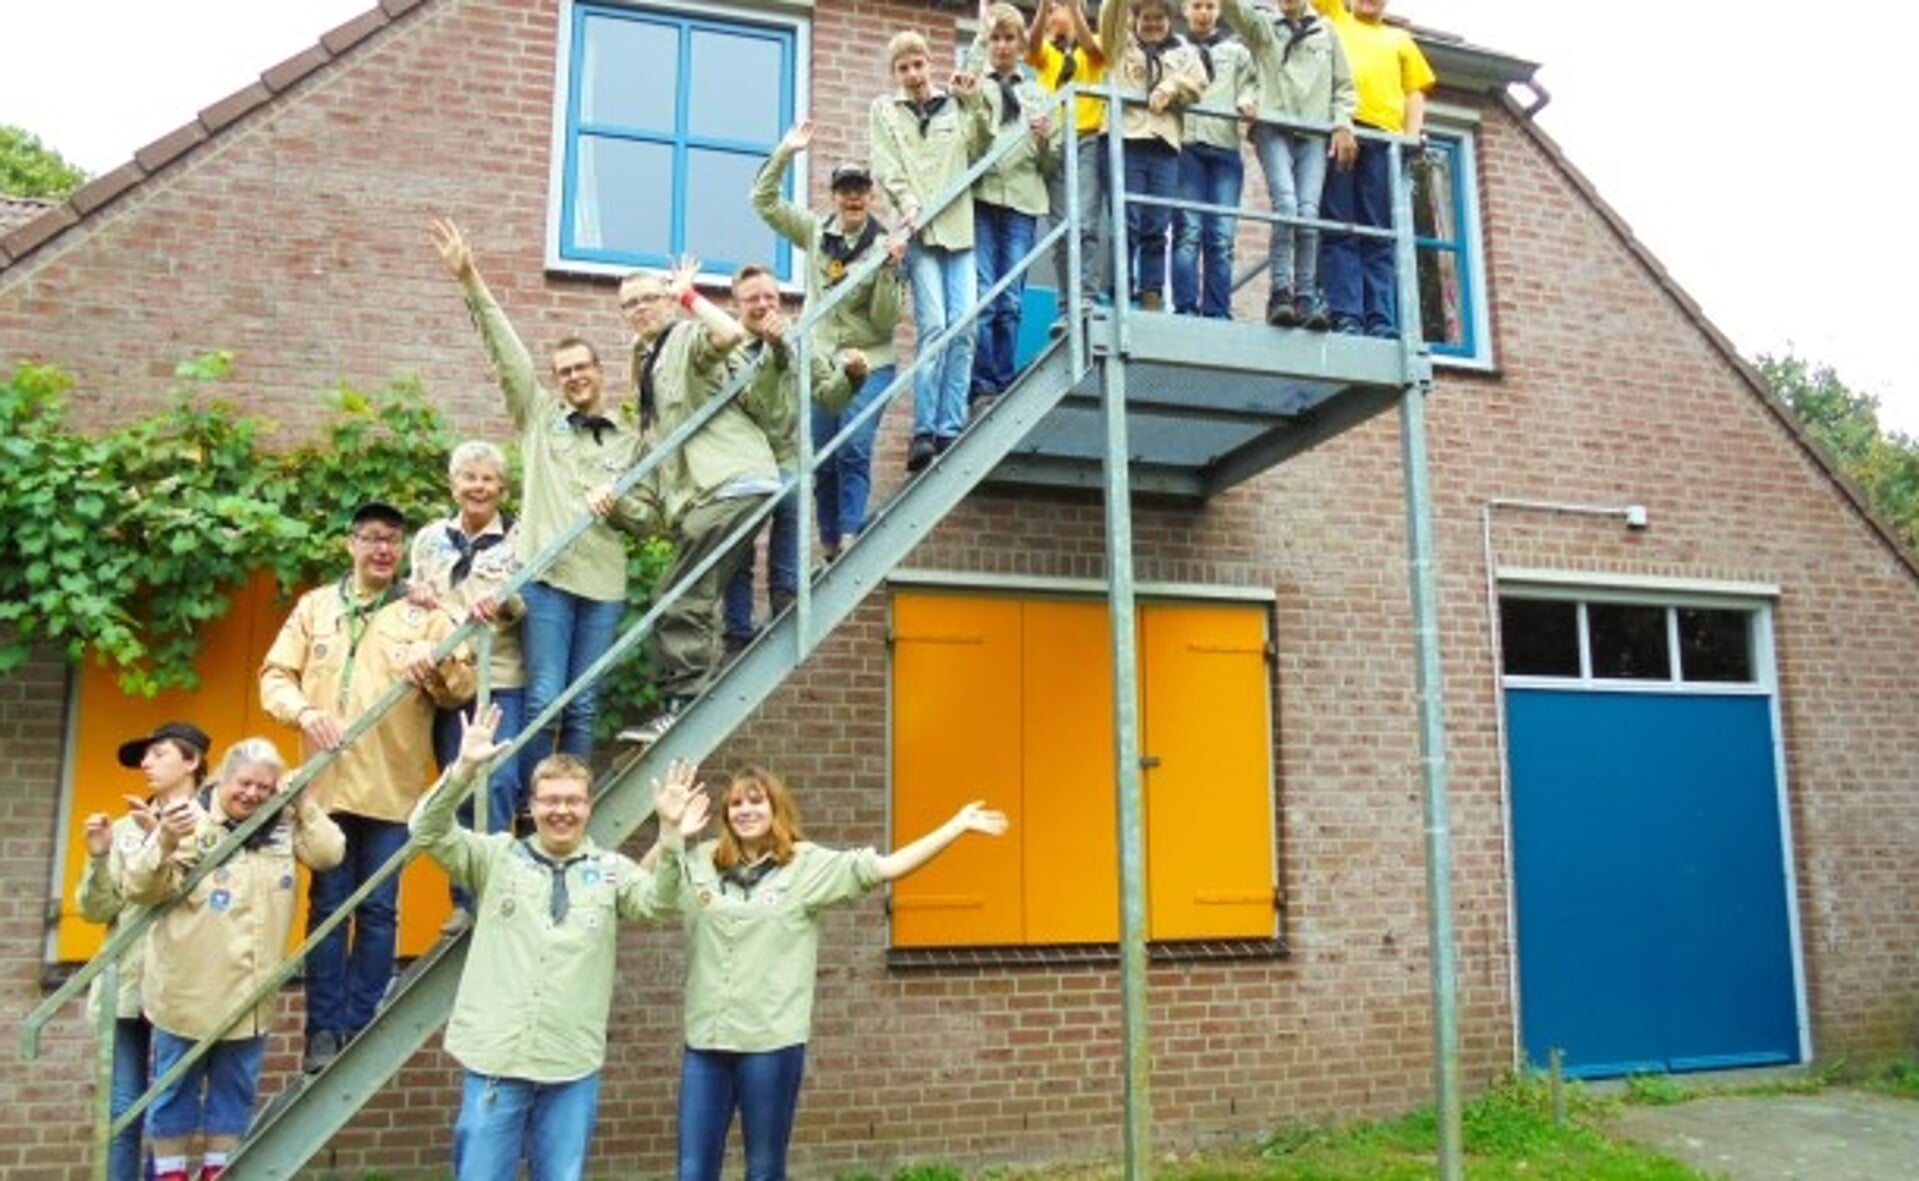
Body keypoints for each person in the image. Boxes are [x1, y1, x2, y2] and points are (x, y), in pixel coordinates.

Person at [411, 704, 705, 1181]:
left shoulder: (611, 871)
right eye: (550, 800)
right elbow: (425, 830)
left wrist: (670, 837)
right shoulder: (495, 858)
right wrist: (464, 768)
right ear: (531, 806)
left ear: (589, 807)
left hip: (570, 1064)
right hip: (497, 1063)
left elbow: (660, 905)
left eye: (573, 800)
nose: (562, 810)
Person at [673, 766, 1008, 1181]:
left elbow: (888, 868)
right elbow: (643, 888)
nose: (745, 810)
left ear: (776, 808)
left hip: (770, 1044)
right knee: (692, 1171)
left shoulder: (807, 864)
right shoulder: (700, 860)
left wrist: (956, 825)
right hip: (706, 1042)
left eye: (756, 800)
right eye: (736, 803)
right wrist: (670, 831)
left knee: (763, 1169)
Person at [260, 500, 476, 1073]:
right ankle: (323, 1031)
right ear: (350, 544)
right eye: (372, 538)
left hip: (391, 787)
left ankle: (359, 1024)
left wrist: (435, 671)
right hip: (324, 791)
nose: (383, 549)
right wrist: (303, 712)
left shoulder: (423, 613)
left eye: (393, 540)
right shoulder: (315, 608)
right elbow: (274, 676)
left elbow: (462, 685)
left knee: (379, 909)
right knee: (328, 907)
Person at [431, 216, 635, 775]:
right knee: (545, 697)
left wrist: (620, 503)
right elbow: (507, 353)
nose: (573, 377)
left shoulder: (630, 437)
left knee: (585, 700)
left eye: (581, 367)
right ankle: (532, 802)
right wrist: (471, 279)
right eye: (563, 371)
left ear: (599, 371)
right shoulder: (540, 418)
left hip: (603, 582)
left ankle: (571, 795)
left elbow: (649, 513)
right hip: (547, 579)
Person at [124, 737, 345, 1181]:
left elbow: (329, 854)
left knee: (234, 1098)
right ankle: (169, 1176)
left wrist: (302, 803)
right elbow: (141, 889)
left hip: (250, 999)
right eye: (244, 784)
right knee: (174, 1097)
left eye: (264, 788)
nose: (253, 795)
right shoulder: (191, 820)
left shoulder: (282, 825)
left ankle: (217, 1174)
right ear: (222, 778)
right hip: (187, 995)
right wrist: (165, 838)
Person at [592, 257, 764, 747]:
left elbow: (730, 335)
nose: (640, 308)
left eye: (649, 298)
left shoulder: (685, 338)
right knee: (693, 591)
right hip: (713, 490)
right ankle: (683, 700)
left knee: (678, 592)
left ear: (667, 301)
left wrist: (690, 296)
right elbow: (652, 458)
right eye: (630, 304)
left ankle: (682, 705)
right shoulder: (650, 360)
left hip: (730, 480)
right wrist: (616, 497)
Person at [749, 122, 906, 565]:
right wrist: (785, 152)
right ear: (834, 195)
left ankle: (851, 532)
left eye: (860, 190)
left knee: (853, 444)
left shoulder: (883, 246)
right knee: (821, 455)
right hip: (819, 362)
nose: (852, 198)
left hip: (869, 360)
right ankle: (830, 541)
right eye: (844, 190)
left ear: (870, 195)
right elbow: (762, 202)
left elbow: (884, 322)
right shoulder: (817, 231)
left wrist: (890, 271)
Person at [77, 721, 212, 1181]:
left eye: (158, 754)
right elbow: (96, 911)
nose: (146, 764)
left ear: (191, 761)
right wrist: (98, 856)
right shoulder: (122, 828)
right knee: (122, 1110)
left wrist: (163, 836)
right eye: (144, 757)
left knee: (172, 1109)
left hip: (185, 986)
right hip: (129, 986)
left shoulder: (217, 824)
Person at [409, 439, 527, 929]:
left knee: (497, 781)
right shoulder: (429, 538)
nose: (477, 486)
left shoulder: (520, 537)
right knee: (454, 783)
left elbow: (529, 604)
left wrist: (504, 603)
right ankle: (462, 900)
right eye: (468, 477)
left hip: (499, 676)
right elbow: (415, 606)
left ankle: (491, 888)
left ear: (501, 488)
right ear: (453, 484)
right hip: (448, 684)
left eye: (487, 479)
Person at [722, 265, 868, 655]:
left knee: (794, 493)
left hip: (784, 454)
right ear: (735, 304)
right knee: (741, 543)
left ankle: (785, 596)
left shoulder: (800, 340)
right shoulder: (728, 349)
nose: (763, 304)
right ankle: (736, 628)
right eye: (752, 298)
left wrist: (853, 377)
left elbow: (829, 397)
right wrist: (774, 352)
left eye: (770, 296)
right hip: (741, 459)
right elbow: (760, 405)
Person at [869, 30, 993, 472]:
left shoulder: (955, 103)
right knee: (935, 325)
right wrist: (907, 204)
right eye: (903, 68)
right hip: (919, 231)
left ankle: (950, 424)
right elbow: (886, 166)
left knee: (966, 325)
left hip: (959, 230)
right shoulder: (885, 112)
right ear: (895, 74)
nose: (913, 75)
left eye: (918, 65)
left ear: (929, 64)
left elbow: (980, 147)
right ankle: (924, 429)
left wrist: (975, 102)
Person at [1223, 0, 1357, 328]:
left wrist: (1342, 124)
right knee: (1286, 206)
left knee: (1309, 214)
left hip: (1313, 133)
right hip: (1273, 127)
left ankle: (1305, 298)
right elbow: (1232, 10)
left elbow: (1343, 87)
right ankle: (1280, 294)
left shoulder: (1326, 31)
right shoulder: (1264, 25)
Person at [1312, 0, 1433, 336]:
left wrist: (1410, 137)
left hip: (1384, 139)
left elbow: (1415, 93)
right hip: (1342, 128)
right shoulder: (1335, 17)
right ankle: (1346, 313)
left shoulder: (1400, 39)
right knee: (1339, 224)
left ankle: (1379, 317)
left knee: (1378, 229)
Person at [965, 1, 1058, 409]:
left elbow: (1052, 164)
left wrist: (1042, 139)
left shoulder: (1037, 93)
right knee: (985, 294)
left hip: (1021, 201)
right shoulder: (975, 83)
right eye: (996, 39)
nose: (1002, 46)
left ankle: (1001, 381)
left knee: (1012, 300)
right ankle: (981, 383)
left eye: (1009, 39)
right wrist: (980, 26)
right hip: (984, 198)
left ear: (1022, 44)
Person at [1097, 0, 1207, 311]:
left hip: (1164, 146)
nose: (1153, 24)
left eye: (1159, 18)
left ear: (1170, 21)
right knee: (1126, 221)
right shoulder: (1120, 44)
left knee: (1157, 225)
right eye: (1146, 17)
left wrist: (1170, 87)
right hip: (1126, 140)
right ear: (1134, 19)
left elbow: (1199, 83)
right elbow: (1109, 15)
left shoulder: (1184, 52)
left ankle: (1151, 295)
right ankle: (1120, 290)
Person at [1169, 0, 1256, 318]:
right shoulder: (1175, 49)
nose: (1203, 12)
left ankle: (1218, 310)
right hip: (1187, 145)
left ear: (1219, 10)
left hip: (1224, 148)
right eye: (1197, 5)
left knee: (1221, 236)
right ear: (1184, 10)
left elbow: (1251, 84)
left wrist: (1248, 99)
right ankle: (1185, 306)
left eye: (1209, 5)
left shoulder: (1237, 52)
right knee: (1188, 232)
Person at [1026, 0, 1109, 310]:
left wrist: (1075, 10)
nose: (1051, 16)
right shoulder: (1047, 52)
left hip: (1087, 138)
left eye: (1054, 9)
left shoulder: (1094, 42)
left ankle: (1086, 295)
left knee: (1086, 221)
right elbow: (1030, 46)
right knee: (1061, 227)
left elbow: (1093, 51)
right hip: (1056, 144)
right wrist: (1041, 8)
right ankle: (1065, 302)